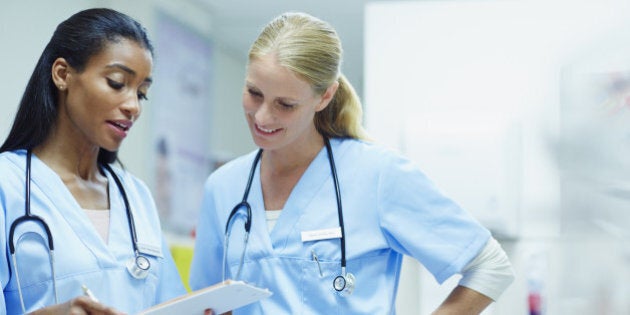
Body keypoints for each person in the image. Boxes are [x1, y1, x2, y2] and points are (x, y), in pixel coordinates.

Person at [189, 12, 515, 314]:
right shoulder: (224, 187)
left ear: (325, 97)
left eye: (285, 104)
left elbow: (490, 265)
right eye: (254, 93)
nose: (262, 116)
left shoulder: (376, 175)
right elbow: (208, 303)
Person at [0, 8, 188, 314]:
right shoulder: (7, 186)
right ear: (62, 74)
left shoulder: (135, 196)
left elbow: (170, 304)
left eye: (142, 93)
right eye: (117, 83)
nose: (133, 107)